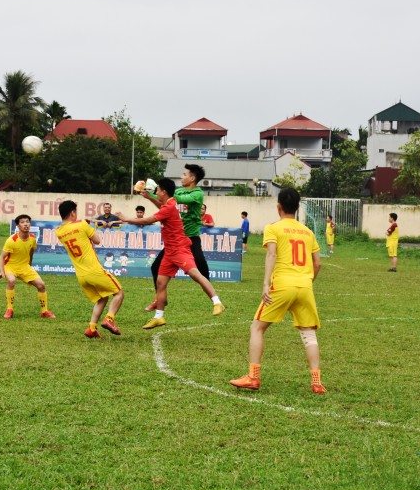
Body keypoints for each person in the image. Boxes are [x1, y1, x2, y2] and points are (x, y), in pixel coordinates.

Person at [230, 188, 326, 394]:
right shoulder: (308, 232)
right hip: (305, 287)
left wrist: (266, 284)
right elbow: (317, 263)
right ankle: (317, 382)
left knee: (257, 327)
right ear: (298, 207)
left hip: (282, 285)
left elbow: (271, 255)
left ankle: (253, 377)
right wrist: (307, 281)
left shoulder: (273, 228)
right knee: (309, 334)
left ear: (278, 206)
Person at [118, 178, 224, 329]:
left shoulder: (169, 207)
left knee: (196, 275)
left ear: (164, 192)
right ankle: (159, 317)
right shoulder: (170, 203)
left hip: (180, 248)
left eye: (158, 190)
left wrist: (125, 218)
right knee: (161, 283)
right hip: (169, 251)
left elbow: (148, 220)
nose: (157, 192)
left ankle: (217, 302)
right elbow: (160, 206)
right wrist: (149, 198)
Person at [139, 164, 210, 312]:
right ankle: (158, 299)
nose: (181, 177)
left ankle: (212, 295)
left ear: (192, 178)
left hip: (191, 237)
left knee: (201, 263)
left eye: (184, 174)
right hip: (176, 240)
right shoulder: (177, 192)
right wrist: (150, 196)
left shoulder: (197, 194)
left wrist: (164, 193)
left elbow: (178, 199)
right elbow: (164, 208)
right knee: (155, 267)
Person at [56, 200, 123, 338]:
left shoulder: (59, 232)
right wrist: (86, 224)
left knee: (102, 298)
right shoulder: (81, 224)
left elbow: (73, 232)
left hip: (81, 276)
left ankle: (92, 328)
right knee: (119, 293)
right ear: (73, 212)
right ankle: (109, 319)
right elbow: (97, 240)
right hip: (94, 270)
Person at [0, 214, 56, 319]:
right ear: (18, 226)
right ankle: (9, 310)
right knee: (11, 280)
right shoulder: (12, 240)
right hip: (10, 266)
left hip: (24, 266)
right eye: (22, 222)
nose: (25, 224)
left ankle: (44, 311)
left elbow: (31, 252)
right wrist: (2, 271)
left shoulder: (33, 238)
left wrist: (30, 266)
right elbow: (2, 257)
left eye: (27, 222)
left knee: (41, 285)